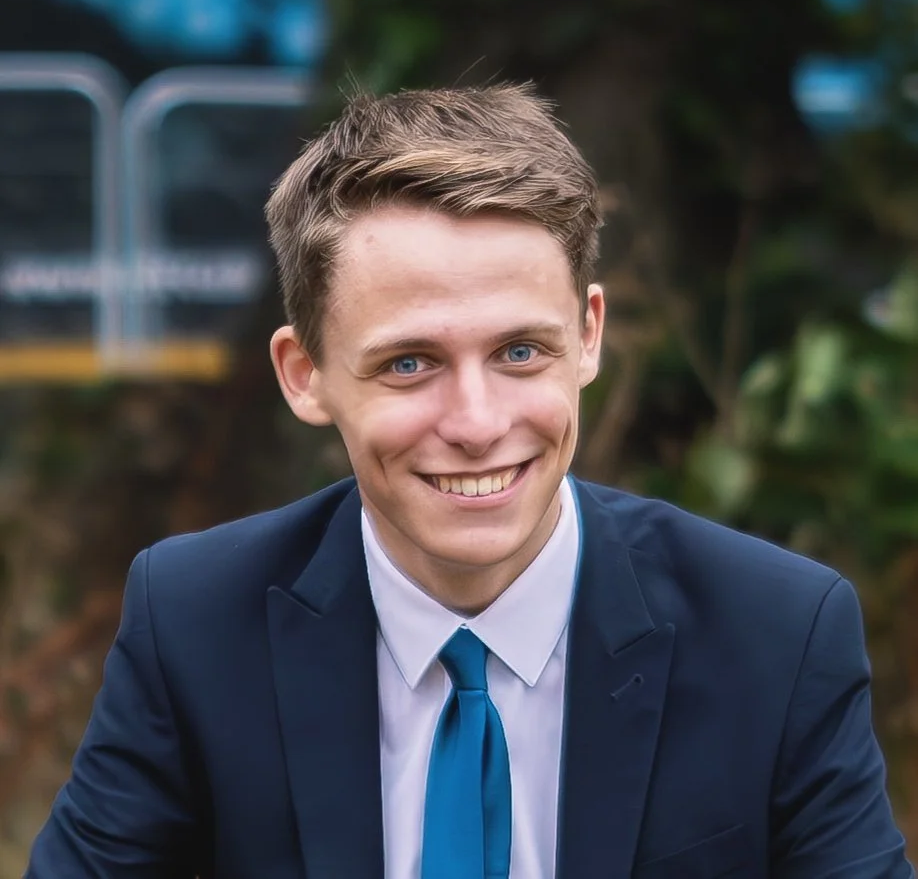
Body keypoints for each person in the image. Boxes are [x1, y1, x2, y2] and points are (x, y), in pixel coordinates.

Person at [26, 83, 914, 879]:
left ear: (590, 336)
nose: (479, 422)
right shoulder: (193, 622)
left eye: (521, 351)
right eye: (410, 363)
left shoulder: (778, 632)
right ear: (305, 375)